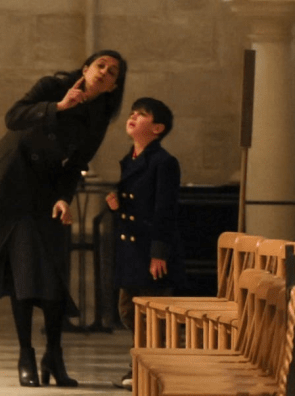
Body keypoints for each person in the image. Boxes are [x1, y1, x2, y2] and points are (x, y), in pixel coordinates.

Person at [0, 50, 128, 388]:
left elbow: (77, 164)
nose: (104, 72)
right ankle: (26, 354)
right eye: (100, 65)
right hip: (14, 180)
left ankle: (53, 354)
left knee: (53, 269)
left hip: (49, 186)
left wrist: (64, 198)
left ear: (112, 87)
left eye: (112, 73)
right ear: (86, 68)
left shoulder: (99, 117)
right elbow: (13, 117)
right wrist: (59, 106)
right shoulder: (53, 86)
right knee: (23, 270)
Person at [104, 97, 184, 391]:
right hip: (131, 250)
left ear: (158, 128)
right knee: (128, 310)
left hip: (150, 249)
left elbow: (165, 210)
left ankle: (149, 368)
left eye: (142, 114)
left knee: (152, 312)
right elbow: (133, 206)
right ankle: (142, 362)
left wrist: (159, 252)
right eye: (132, 113)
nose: (133, 117)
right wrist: (117, 206)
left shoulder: (164, 162)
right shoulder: (131, 159)